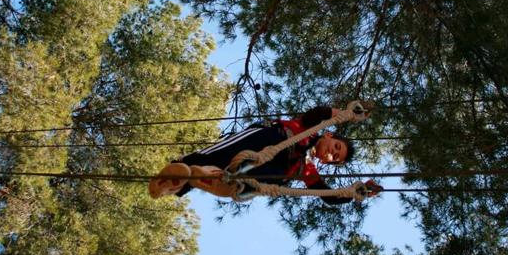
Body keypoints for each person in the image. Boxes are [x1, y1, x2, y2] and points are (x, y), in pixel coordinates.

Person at [149, 104, 380, 204]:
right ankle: (179, 173)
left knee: (275, 176)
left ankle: (207, 178)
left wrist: (356, 193)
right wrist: (348, 114)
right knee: (222, 152)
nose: (332, 154)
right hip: (267, 139)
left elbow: (329, 197)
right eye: (336, 148)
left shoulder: (308, 169)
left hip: (258, 169)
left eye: (334, 159)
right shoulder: (308, 130)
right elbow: (319, 113)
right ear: (329, 136)